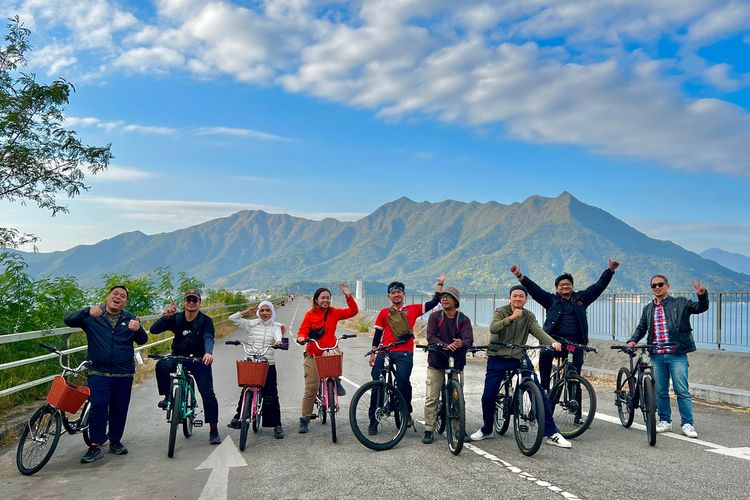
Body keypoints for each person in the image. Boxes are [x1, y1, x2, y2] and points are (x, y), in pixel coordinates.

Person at [470, 285, 572, 448]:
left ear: (526, 299)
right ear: (510, 298)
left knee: (538, 390)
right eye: (514, 296)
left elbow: (538, 331)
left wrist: (552, 343)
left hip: (519, 355)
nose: (518, 299)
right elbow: (493, 327)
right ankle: (487, 429)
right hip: (498, 356)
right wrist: (510, 318)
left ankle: (551, 433)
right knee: (488, 395)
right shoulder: (501, 312)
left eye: (521, 296)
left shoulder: (528, 316)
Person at [64, 285, 148, 463]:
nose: (118, 297)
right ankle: (95, 445)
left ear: (125, 301)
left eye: (122, 296)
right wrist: (86, 311)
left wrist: (137, 329)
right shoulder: (93, 315)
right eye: (115, 294)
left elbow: (142, 340)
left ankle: (115, 441)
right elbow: (68, 320)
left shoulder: (130, 318)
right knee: (99, 406)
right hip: (98, 372)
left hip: (123, 373)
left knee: (119, 409)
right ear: (108, 296)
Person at [510, 259, 620, 391]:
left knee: (575, 374)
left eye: (568, 284)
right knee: (545, 357)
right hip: (553, 341)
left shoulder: (581, 298)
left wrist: (610, 270)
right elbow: (535, 290)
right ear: (557, 288)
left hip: (574, 344)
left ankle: (574, 405)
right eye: (561, 285)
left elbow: (598, 287)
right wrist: (519, 276)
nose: (565, 286)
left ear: (572, 286)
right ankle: (544, 390)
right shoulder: (551, 300)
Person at [627, 275, 709, 438]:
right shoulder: (648, 308)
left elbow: (701, 307)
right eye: (653, 285)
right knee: (660, 392)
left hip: (677, 354)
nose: (657, 287)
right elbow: (642, 327)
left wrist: (702, 294)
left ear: (667, 286)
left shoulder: (681, 302)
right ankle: (665, 421)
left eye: (660, 284)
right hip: (657, 355)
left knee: (681, 391)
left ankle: (687, 424)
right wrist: (633, 340)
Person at [369, 273, 446, 432]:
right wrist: (373, 352)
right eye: (393, 292)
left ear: (404, 294)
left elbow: (434, 302)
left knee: (403, 381)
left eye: (399, 292)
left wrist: (439, 284)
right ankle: (373, 421)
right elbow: (378, 334)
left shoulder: (413, 309)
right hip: (385, 350)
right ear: (389, 296)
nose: (396, 295)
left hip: (404, 351)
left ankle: (406, 412)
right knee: (377, 382)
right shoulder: (384, 312)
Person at [150, 289, 221, 445]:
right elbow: (154, 330)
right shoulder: (176, 318)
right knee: (161, 365)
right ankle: (168, 398)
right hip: (178, 357)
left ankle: (214, 430)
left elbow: (208, 337)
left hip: (199, 359)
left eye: (194, 300)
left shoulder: (205, 321)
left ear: (199, 303)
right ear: (184, 302)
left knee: (208, 394)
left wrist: (208, 353)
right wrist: (166, 316)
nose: (191, 302)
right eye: (188, 299)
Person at [296, 282, 358, 433]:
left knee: (336, 354)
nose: (326, 300)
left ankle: (336, 380)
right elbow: (303, 330)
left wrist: (347, 295)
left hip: (329, 350)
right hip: (313, 353)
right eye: (322, 298)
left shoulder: (334, 313)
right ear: (316, 300)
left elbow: (353, 311)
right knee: (311, 387)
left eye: (328, 298)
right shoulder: (310, 315)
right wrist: (301, 338)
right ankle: (304, 419)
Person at [226, 301, 287, 439]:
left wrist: (278, 342)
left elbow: (278, 337)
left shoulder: (276, 326)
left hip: (268, 363)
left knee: (271, 394)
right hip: (251, 361)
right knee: (246, 389)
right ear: (258, 311)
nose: (265, 313)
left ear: (272, 312)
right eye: (262, 310)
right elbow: (232, 319)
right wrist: (247, 311)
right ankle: (239, 417)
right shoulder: (251, 324)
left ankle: (276, 425)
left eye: (268, 310)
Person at [422, 287, 473, 444]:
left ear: (455, 301)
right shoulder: (435, 317)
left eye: (448, 297)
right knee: (432, 397)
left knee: (458, 398)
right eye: (443, 297)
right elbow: (430, 337)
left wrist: (460, 343)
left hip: (456, 362)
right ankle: (429, 429)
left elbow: (469, 340)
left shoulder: (463, 319)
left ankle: (459, 429)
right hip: (437, 361)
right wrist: (444, 344)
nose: (444, 299)